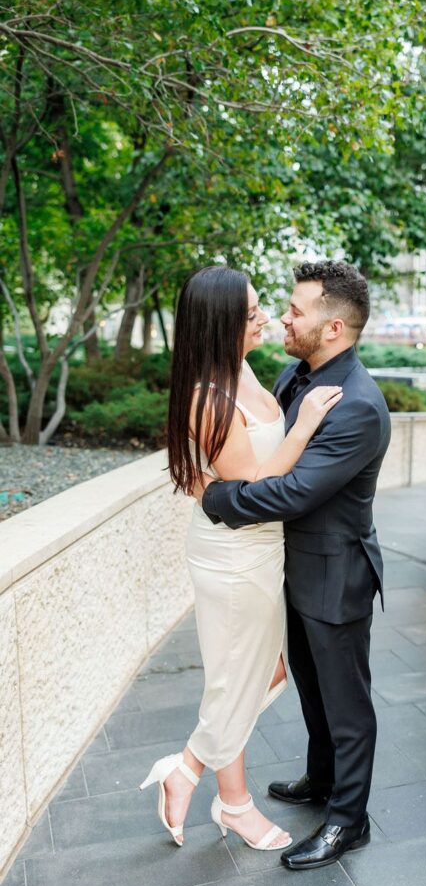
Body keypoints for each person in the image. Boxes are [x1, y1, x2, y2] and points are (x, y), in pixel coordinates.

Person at [195, 259, 392, 870]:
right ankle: (320, 778)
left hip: (335, 573)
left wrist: (219, 498)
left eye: (297, 310)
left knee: (347, 703)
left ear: (333, 329)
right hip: (290, 569)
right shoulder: (293, 372)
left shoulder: (356, 404)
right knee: (310, 686)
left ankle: (347, 820)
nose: (284, 316)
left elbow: (292, 491)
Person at [140, 265, 343, 851]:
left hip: (262, 551)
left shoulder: (245, 369)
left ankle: (187, 770)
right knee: (236, 678)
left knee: (261, 671)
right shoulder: (210, 397)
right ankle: (234, 804)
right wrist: (303, 427)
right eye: (251, 311)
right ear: (220, 322)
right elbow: (253, 487)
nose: (264, 318)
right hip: (233, 554)